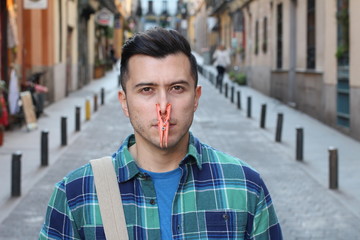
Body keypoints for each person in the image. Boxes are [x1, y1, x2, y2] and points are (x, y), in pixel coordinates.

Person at [39, 28, 282, 239]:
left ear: (196, 98)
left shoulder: (246, 188)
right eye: (147, 90)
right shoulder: (75, 195)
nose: (164, 107)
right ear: (124, 102)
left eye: (177, 88)